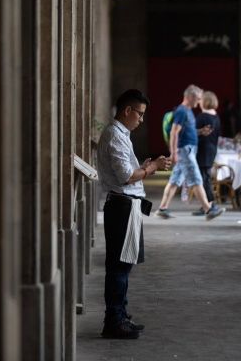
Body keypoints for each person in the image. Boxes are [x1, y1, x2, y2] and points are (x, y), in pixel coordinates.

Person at [96, 89, 171, 339]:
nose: (141, 119)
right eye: (139, 114)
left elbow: (129, 171)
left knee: (124, 264)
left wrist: (144, 167)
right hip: (122, 207)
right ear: (127, 110)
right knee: (119, 266)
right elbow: (126, 176)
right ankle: (114, 321)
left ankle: (120, 314)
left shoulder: (121, 134)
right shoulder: (114, 135)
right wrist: (151, 167)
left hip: (127, 205)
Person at [156, 85, 223, 220]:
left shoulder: (188, 111)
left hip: (188, 149)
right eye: (197, 98)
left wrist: (201, 131)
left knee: (175, 181)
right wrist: (173, 152)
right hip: (185, 150)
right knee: (196, 179)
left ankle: (162, 209)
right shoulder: (182, 111)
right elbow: (174, 132)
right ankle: (208, 209)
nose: (199, 101)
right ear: (190, 97)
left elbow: (186, 131)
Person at [194, 91, 222, 214]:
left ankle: (210, 204)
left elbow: (192, 132)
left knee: (204, 178)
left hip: (202, 150)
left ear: (205, 101)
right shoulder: (216, 116)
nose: (199, 101)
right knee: (205, 177)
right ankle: (207, 205)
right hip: (212, 149)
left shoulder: (202, 117)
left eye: (201, 99)